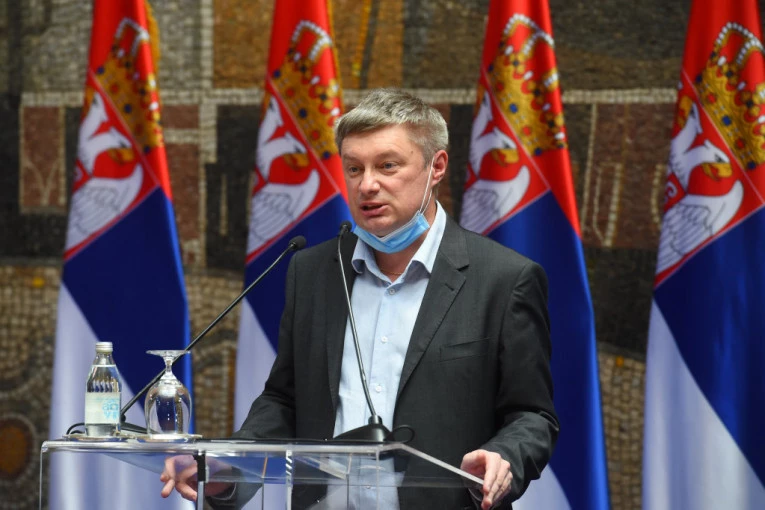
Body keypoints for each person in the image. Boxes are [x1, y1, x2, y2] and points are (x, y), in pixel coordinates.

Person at [161, 88, 559, 509]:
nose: (367, 185)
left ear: (436, 167)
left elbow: (532, 416)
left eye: (387, 165)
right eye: (354, 168)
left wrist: (504, 456)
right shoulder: (313, 271)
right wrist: (230, 466)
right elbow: (285, 400)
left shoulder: (503, 279)